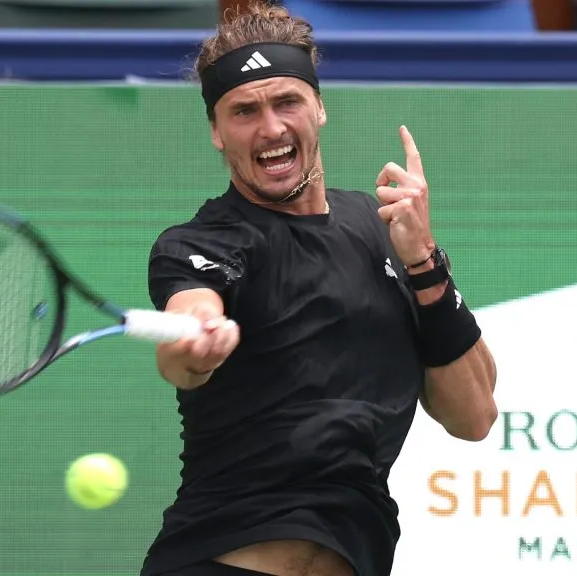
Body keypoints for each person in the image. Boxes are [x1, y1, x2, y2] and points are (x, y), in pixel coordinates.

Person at [141, 3, 498, 575]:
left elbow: (474, 417)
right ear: (215, 131)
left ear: (319, 108)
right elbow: (187, 328)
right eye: (243, 111)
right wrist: (193, 344)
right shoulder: (203, 242)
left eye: (287, 102)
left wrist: (424, 261)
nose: (271, 128)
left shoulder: (388, 230)